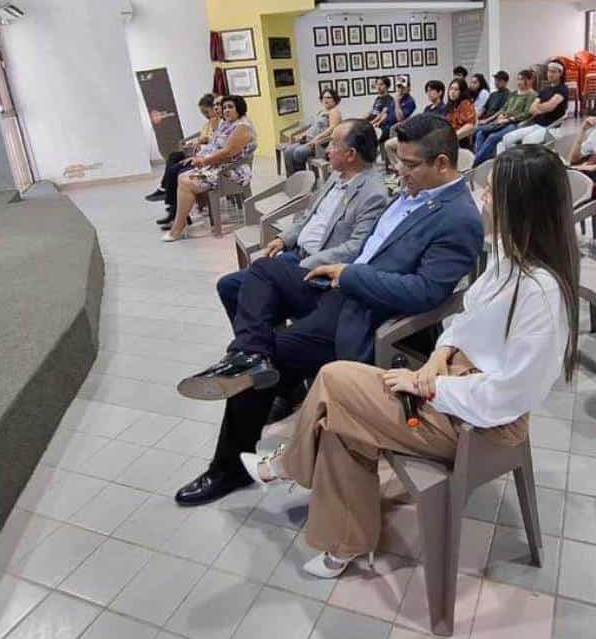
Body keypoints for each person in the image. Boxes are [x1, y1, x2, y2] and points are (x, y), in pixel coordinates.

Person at [239, 145, 579, 577]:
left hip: (481, 422)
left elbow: (511, 392)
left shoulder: (540, 292)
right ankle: (345, 541)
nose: (482, 200)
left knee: (332, 379)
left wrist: (431, 387)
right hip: (455, 386)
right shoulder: (507, 260)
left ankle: (289, 468)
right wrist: (438, 355)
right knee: (342, 422)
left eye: (492, 194)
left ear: (520, 205)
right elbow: (465, 319)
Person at [172, 117, 484, 505]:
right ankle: (249, 355)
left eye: (409, 164)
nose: (400, 171)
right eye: (399, 162)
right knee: (262, 273)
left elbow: (426, 292)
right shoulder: (414, 193)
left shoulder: (459, 218)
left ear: (442, 163)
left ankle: (229, 466)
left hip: (364, 309)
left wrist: (350, 275)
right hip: (342, 286)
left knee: (265, 355)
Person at [214, 119, 389, 327]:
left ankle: (259, 345)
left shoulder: (373, 194)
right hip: (295, 254)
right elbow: (309, 214)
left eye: (333, 144)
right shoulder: (336, 175)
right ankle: (257, 345)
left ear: (351, 154)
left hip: (315, 268)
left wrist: (305, 264)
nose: (327, 150)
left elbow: (355, 247)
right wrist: (284, 238)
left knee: (248, 289)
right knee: (229, 285)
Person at [164, 95, 257, 241]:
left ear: (239, 108)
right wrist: (201, 158)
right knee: (181, 176)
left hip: (232, 171)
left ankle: (178, 227)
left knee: (186, 181)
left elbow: (227, 152)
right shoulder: (227, 123)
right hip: (219, 165)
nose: (226, 110)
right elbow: (215, 145)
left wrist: (204, 160)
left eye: (230, 107)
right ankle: (180, 223)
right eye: (224, 107)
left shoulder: (242, 127)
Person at [147, 94, 219, 224]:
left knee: (176, 170)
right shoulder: (210, 123)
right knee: (173, 158)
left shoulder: (220, 123)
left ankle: (174, 209)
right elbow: (206, 139)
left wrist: (203, 143)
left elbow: (217, 144)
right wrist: (196, 144)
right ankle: (171, 202)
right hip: (201, 155)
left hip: (207, 159)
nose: (205, 114)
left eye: (206, 111)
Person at [492, 60, 570, 157]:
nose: (550, 74)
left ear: (560, 73)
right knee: (506, 138)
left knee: (527, 141)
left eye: (554, 72)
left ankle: (525, 168)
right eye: (549, 71)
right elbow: (531, 109)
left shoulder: (563, 89)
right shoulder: (545, 89)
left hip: (551, 127)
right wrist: (542, 107)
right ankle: (503, 165)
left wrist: (539, 106)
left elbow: (550, 107)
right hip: (537, 125)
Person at [471, 69, 537, 160]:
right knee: (480, 133)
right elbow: (504, 108)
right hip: (502, 120)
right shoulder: (514, 93)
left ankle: (475, 163)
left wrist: (510, 119)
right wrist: (501, 115)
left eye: (522, 79)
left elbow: (526, 113)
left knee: (492, 137)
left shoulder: (532, 95)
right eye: (518, 79)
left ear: (529, 81)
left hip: (514, 123)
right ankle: (480, 160)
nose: (519, 82)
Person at [383, 80, 446, 171]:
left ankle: (404, 168)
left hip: (427, 139)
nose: (428, 93)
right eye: (427, 91)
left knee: (397, 144)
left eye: (431, 90)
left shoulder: (442, 108)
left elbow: (436, 126)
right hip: (417, 135)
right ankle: (399, 168)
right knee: (389, 144)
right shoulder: (427, 108)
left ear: (440, 92)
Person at [282, 89, 341, 173]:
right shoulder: (321, 111)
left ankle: (303, 179)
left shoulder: (334, 112)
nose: (325, 100)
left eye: (328, 97)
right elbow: (314, 127)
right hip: (308, 140)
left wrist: (316, 139)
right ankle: (293, 179)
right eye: (323, 98)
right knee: (288, 151)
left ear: (335, 99)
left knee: (298, 152)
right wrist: (304, 134)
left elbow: (333, 128)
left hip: (319, 144)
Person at [444, 78, 478, 144]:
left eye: (456, 89)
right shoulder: (450, 105)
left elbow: (470, 126)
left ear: (462, 91)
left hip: (461, 141)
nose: (452, 92)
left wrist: (451, 138)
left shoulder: (466, 104)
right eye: (451, 89)